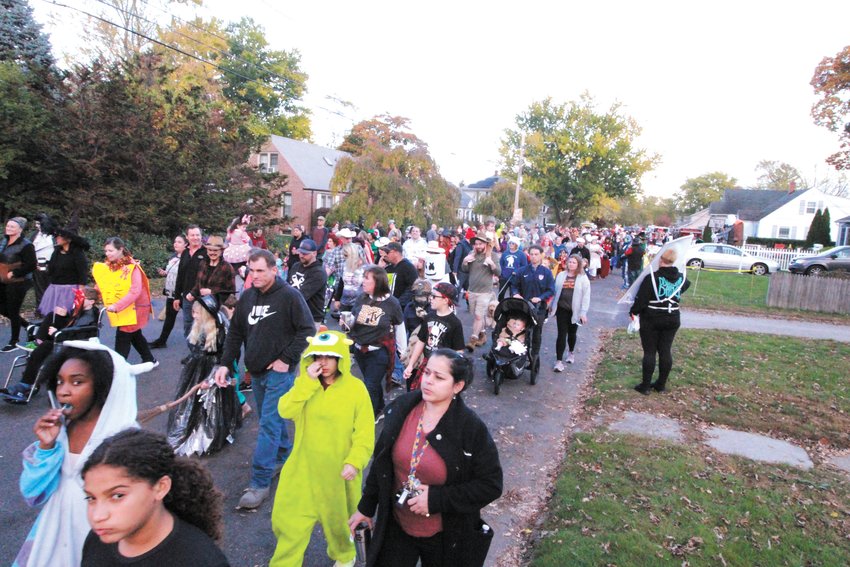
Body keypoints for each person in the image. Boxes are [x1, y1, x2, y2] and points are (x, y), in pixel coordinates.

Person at [348, 350, 503, 567]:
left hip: (445, 538)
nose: (428, 381)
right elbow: (382, 462)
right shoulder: (403, 408)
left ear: (457, 386)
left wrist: (435, 499)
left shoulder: (470, 429)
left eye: (439, 377)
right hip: (397, 526)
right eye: (427, 372)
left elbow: (491, 485)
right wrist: (365, 508)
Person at [13, 341, 143, 567]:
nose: (63, 390)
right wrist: (46, 447)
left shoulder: (127, 440)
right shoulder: (61, 432)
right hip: (53, 537)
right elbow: (32, 493)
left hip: (101, 540)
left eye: (77, 382)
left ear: (103, 387)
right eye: (60, 381)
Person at [214, 249, 314, 510]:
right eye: (251, 270)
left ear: (274, 269)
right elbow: (235, 333)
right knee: (271, 418)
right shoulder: (247, 296)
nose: (254, 275)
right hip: (256, 370)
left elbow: (307, 330)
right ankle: (283, 455)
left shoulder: (290, 297)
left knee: (268, 423)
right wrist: (225, 364)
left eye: (260, 270)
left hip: (279, 373)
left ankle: (259, 483)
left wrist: (287, 359)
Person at [270, 331, 375, 567]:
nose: (323, 362)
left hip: (338, 474)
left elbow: (365, 433)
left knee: (339, 523)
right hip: (302, 470)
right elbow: (285, 411)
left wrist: (354, 461)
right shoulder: (306, 385)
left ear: (341, 358)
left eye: (330, 356)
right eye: (318, 356)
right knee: (289, 523)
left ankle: (344, 556)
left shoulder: (356, 389)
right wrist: (306, 383)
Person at [81, 429, 229, 567]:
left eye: (117, 496)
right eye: (91, 498)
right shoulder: (98, 541)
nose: (97, 516)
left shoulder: (202, 560)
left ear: (160, 487)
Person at [166, 296, 241, 456]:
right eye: (193, 312)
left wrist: (213, 376)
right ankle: (192, 428)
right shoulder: (200, 325)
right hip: (197, 367)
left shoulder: (219, 327)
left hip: (213, 368)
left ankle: (209, 435)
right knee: (192, 403)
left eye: (197, 313)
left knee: (211, 403)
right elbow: (197, 347)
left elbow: (225, 354)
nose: (194, 316)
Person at [1, 287, 99, 404]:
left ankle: (24, 385)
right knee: (54, 314)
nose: (77, 300)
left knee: (40, 351)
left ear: (91, 301)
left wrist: (57, 332)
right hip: (63, 337)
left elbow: (77, 332)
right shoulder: (79, 310)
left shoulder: (89, 315)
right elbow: (70, 323)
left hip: (72, 343)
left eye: (82, 298)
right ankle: (37, 342)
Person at [343, 265, 405, 419]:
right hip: (359, 349)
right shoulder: (362, 298)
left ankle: (366, 418)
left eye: (366, 278)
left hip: (379, 352)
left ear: (378, 282)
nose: (362, 281)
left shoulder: (392, 303)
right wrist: (346, 323)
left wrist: (403, 351)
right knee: (373, 383)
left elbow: (400, 326)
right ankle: (380, 409)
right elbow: (353, 319)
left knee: (369, 386)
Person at [629, 248, 690, 394]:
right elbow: (686, 285)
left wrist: (633, 311)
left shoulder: (651, 277)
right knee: (665, 351)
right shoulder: (681, 278)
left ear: (661, 260)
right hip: (673, 318)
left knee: (650, 352)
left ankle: (645, 386)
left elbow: (642, 300)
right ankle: (661, 385)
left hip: (652, 319)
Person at [94, 237, 157, 365]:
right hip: (124, 307)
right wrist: (92, 295)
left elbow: (135, 291)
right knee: (134, 334)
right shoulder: (109, 266)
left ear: (120, 249)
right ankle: (150, 359)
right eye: (106, 251)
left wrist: (117, 305)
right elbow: (104, 284)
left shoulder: (132, 268)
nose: (107, 254)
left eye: (110, 250)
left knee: (124, 335)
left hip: (135, 308)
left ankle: (118, 367)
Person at [403, 283, 465, 391]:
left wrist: (452, 374)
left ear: (446, 300)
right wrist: (411, 364)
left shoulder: (455, 323)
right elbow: (421, 341)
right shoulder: (429, 317)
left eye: (434, 296)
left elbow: (458, 351)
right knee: (417, 394)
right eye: (431, 295)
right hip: (427, 363)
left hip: (442, 368)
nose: (430, 298)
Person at [38, 217, 90, 325]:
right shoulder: (57, 251)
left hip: (70, 290)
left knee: (66, 316)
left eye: (59, 236)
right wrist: (43, 268)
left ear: (68, 239)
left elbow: (82, 272)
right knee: (51, 316)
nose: (56, 238)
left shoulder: (77, 253)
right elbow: (52, 268)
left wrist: (81, 291)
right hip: (55, 288)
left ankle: (63, 334)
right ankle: (50, 335)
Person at [511, 244, 555, 360]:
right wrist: (515, 293)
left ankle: (534, 354)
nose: (534, 257)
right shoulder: (522, 271)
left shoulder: (546, 272)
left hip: (539, 307)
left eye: (536, 254)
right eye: (531, 254)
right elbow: (514, 286)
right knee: (521, 328)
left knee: (536, 331)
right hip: (523, 306)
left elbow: (551, 290)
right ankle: (520, 349)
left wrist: (540, 298)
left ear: (541, 256)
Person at [549, 255, 591, 372]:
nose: (571, 264)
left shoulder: (583, 278)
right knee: (561, 334)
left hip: (575, 311)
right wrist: (551, 305)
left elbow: (586, 296)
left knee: (572, 333)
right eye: (570, 262)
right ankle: (558, 361)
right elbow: (555, 291)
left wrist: (583, 312)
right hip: (562, 309)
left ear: (578, 265)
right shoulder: (561, 275)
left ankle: (571, 352)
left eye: (574, 262)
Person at [1, 217, 37, 351]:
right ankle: (29, 326)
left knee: (13, 310)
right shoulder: (4, 241)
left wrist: (16, 273)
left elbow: (32, 265)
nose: (8, 228)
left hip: (19, 282)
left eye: (12, 227)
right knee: (3, 308)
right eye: (8, 226)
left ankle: (14, 341)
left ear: (20, 230)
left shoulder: (26, 245)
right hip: (3, 279)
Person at [461, 233, 500, 350]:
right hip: (472, 290)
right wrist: (465, 261)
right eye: (476, 244)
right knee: (477, 316)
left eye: (480, 244)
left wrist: (491, 263)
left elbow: (498, 272)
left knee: (478, 316)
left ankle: (473, 340)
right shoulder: (471, 254)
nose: (478, 246)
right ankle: (482, 334)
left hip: (485, 292)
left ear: (486, 244)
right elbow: (465, 270)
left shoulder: (492, 255)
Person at [148, 234, 188, 348]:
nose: (176, 244)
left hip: (182, 293)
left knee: (191, 319)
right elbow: (171, 272)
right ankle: (162, 341)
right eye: (175, 241)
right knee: (170, 318)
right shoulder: (173, 257)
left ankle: (199, 344)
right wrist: (165, 273)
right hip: (171, 291)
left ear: (186, 244)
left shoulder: (188, 258)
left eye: (179, 242)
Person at [173, 225, 207, 337]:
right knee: (188, 324)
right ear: (187, 237)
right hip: (186, 296)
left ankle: (203, 352)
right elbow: (180, 276)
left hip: (202, 296)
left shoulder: (207, 252)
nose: (195, 237)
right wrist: (177, 297)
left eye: (198, 235)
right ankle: (192, 351)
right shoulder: (185, 253)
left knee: (202, 324)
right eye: (192, 235)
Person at [287, 238, 328, 328]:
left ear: (314, 253)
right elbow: (287, 286)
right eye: (300, 252)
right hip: (294, 315)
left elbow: (302, 295)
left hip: (311, 317)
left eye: (305, 253)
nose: (301, 255)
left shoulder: (319, 273)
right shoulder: (296, 266)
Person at [186, 235, 236, 307]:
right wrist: (192, 293)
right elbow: (198, 284)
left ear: (221, 251)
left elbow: (231, 292)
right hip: (202, 305)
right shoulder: (203, 264)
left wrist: (212, 292)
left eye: (215, 250)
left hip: (218, 307)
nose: (212, 253)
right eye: (210, 250)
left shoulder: (227, 267)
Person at [30, 213, 57, 313]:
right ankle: (40, 309)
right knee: (39, 287)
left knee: (51, 287)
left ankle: (51, 309)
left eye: (39, 223)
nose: (36, 225)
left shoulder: (54, 235)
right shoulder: (34, 235)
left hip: (52, 264)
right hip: (38, 264)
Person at [333, 242, 366, 316]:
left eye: (346, 255)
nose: (344, 257)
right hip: (345, 302)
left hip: (360, 303)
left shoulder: (364, 268)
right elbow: (341, 283)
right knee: (345, 325)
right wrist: (337, 299)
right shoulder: (344, 265)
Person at [498, 237, 527, 301]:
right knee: (501, 293)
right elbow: (501, 264)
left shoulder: (521, 254)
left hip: (515, 278)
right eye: (510, 243)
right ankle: (500, 306)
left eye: (513, 243)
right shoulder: (505, 253)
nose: (511, 244)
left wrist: (517, 271)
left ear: (516, 245)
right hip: (504, 277)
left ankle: (511, 308)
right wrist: (502, 273)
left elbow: (524, 266)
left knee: (513, 295)